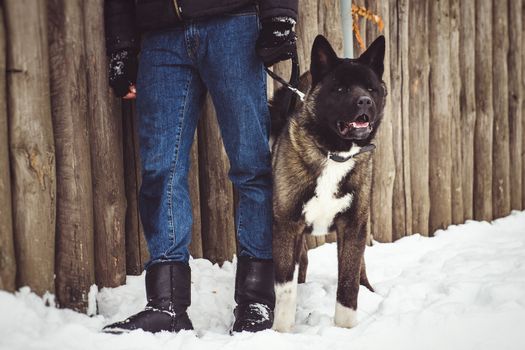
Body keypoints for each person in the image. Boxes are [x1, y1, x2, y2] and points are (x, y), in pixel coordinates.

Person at [103, 0, 298, 334]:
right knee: (160, 168)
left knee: (252, 165)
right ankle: (167, 305)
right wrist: (121, 45)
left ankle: (257, 299)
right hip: (159, 34)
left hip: (233, 23)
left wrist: (279, 12)